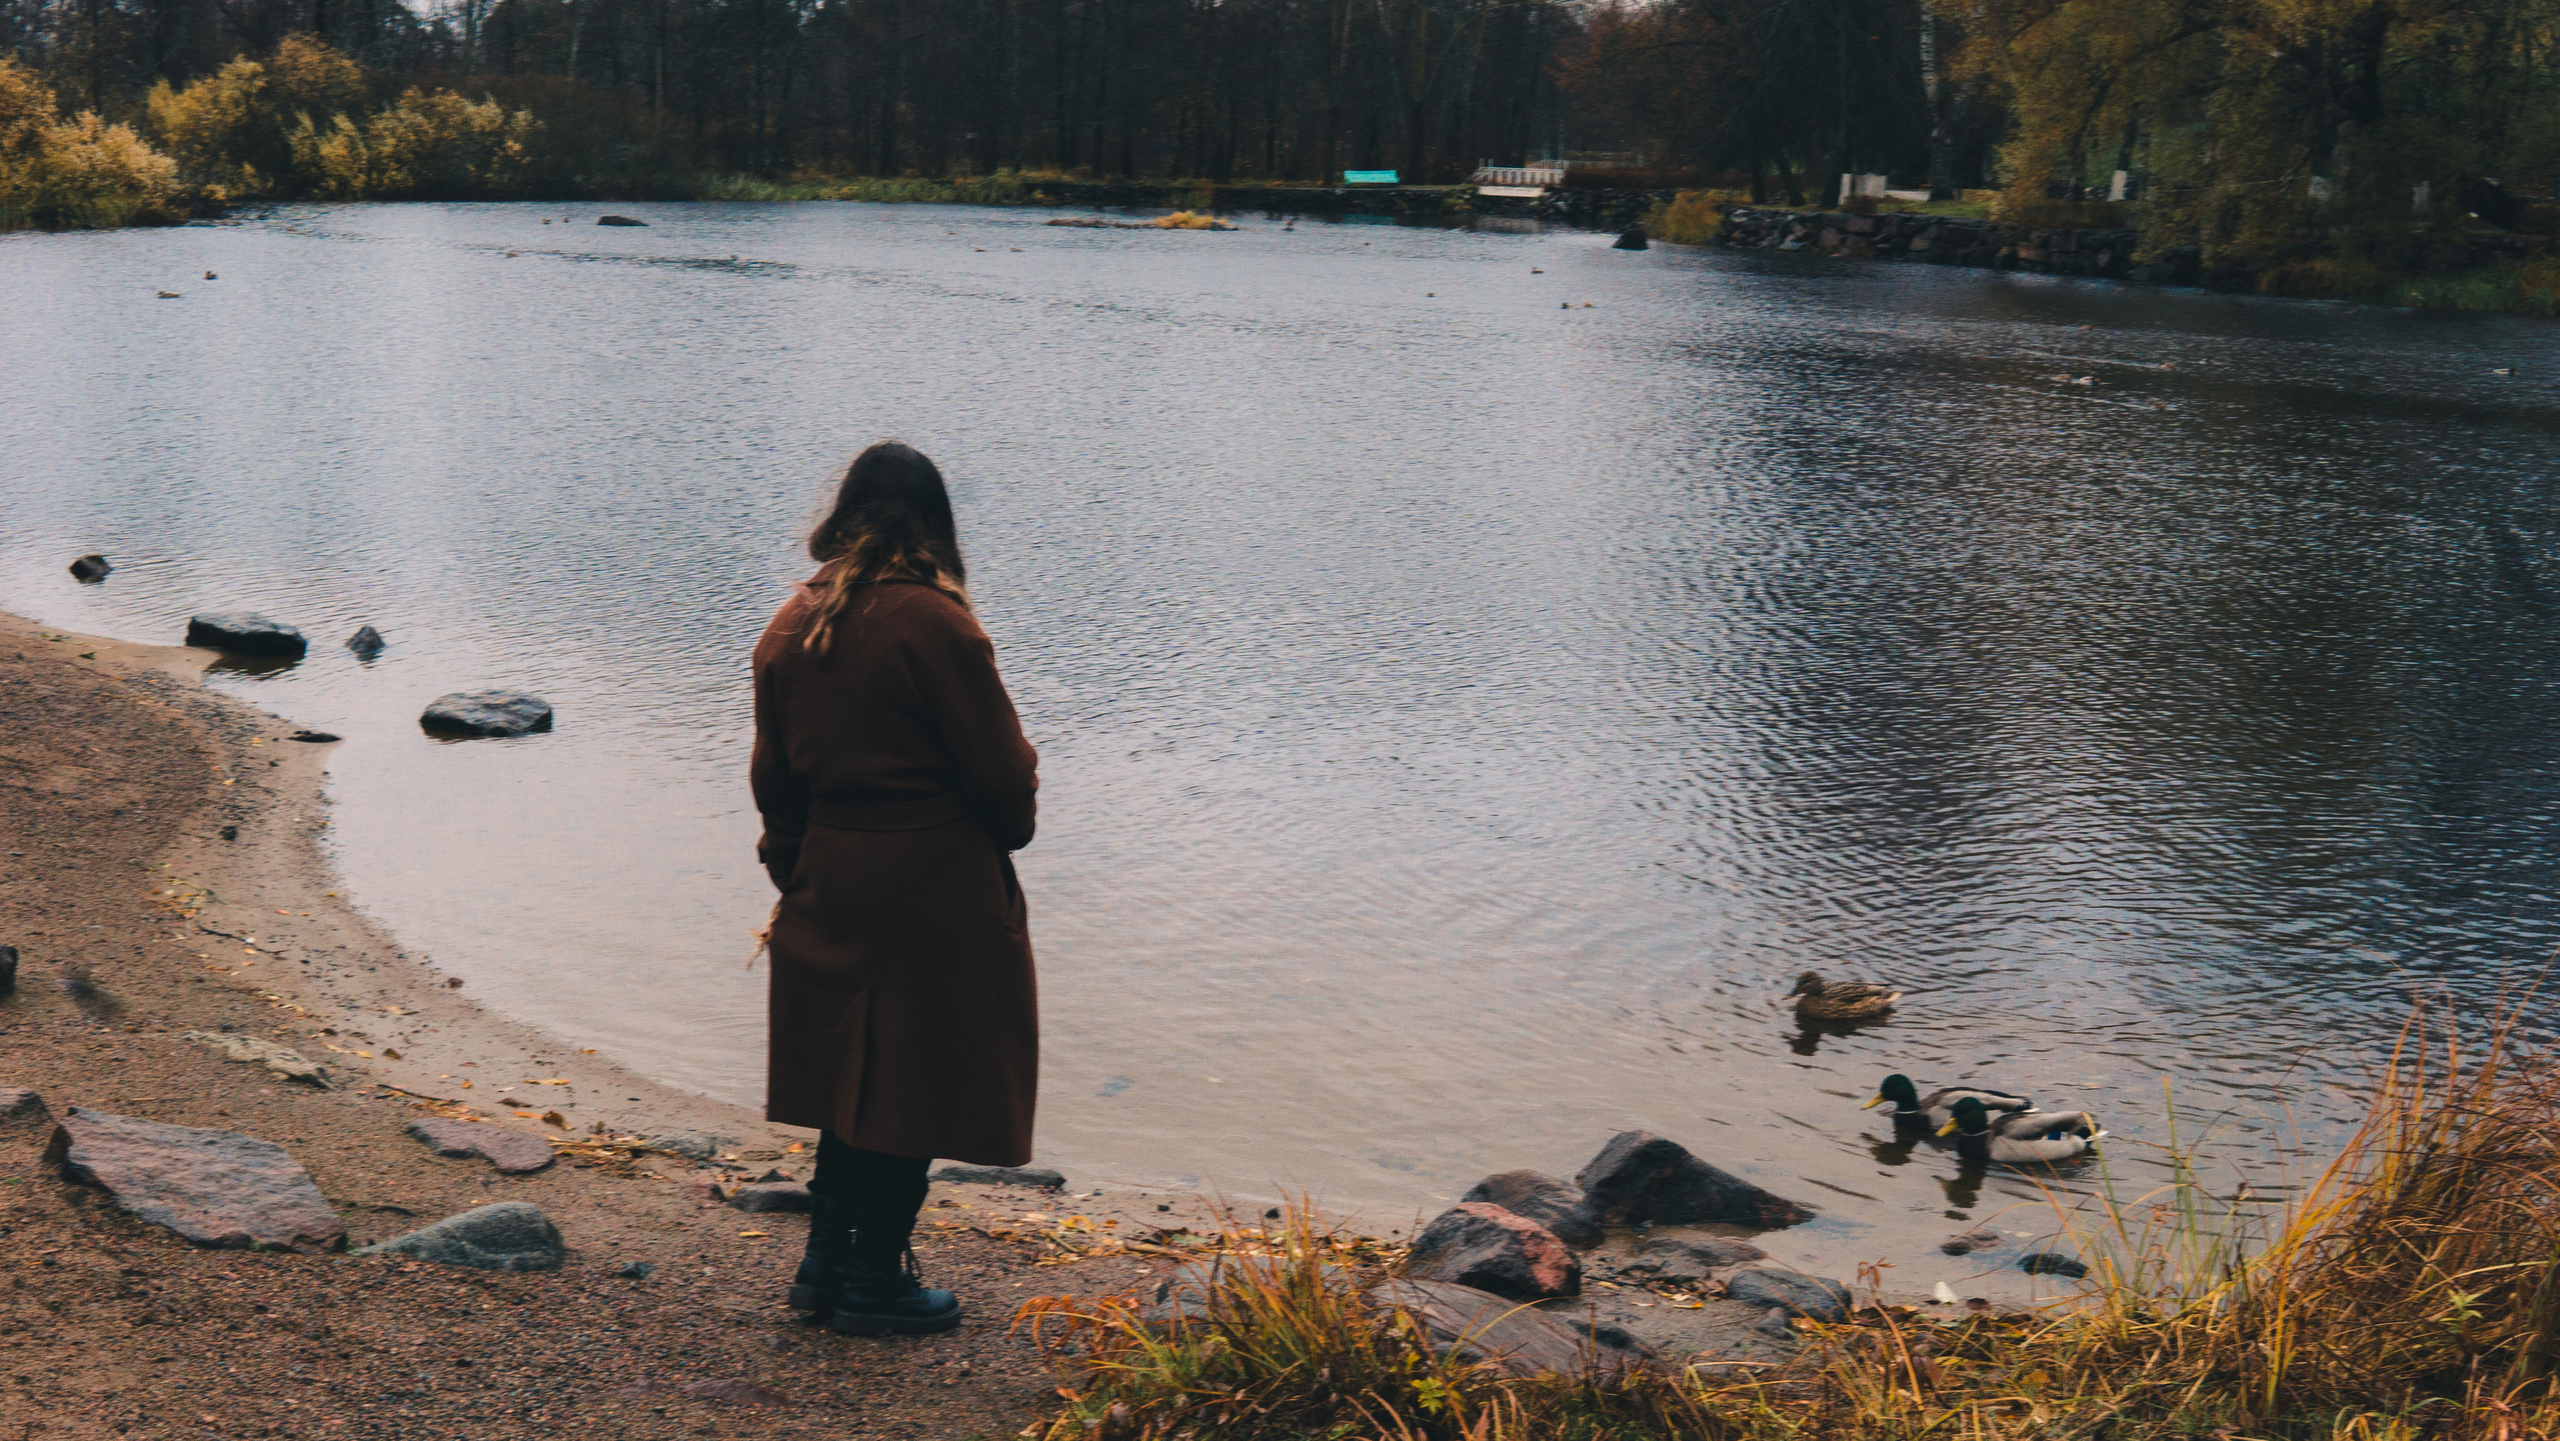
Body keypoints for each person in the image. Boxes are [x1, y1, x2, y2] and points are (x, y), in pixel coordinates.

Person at [749, 441, 1040, 1336]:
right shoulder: (938, 624)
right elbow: (1003, 780)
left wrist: (797, 869)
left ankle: (824, 1267)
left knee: (852, 1075)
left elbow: (774, 780)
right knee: (917, 1074)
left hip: (832, 872)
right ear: (935, 526)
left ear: (842, 518)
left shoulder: (788, 626)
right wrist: (1004, 825)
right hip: (933, 884)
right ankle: (872, 1278)